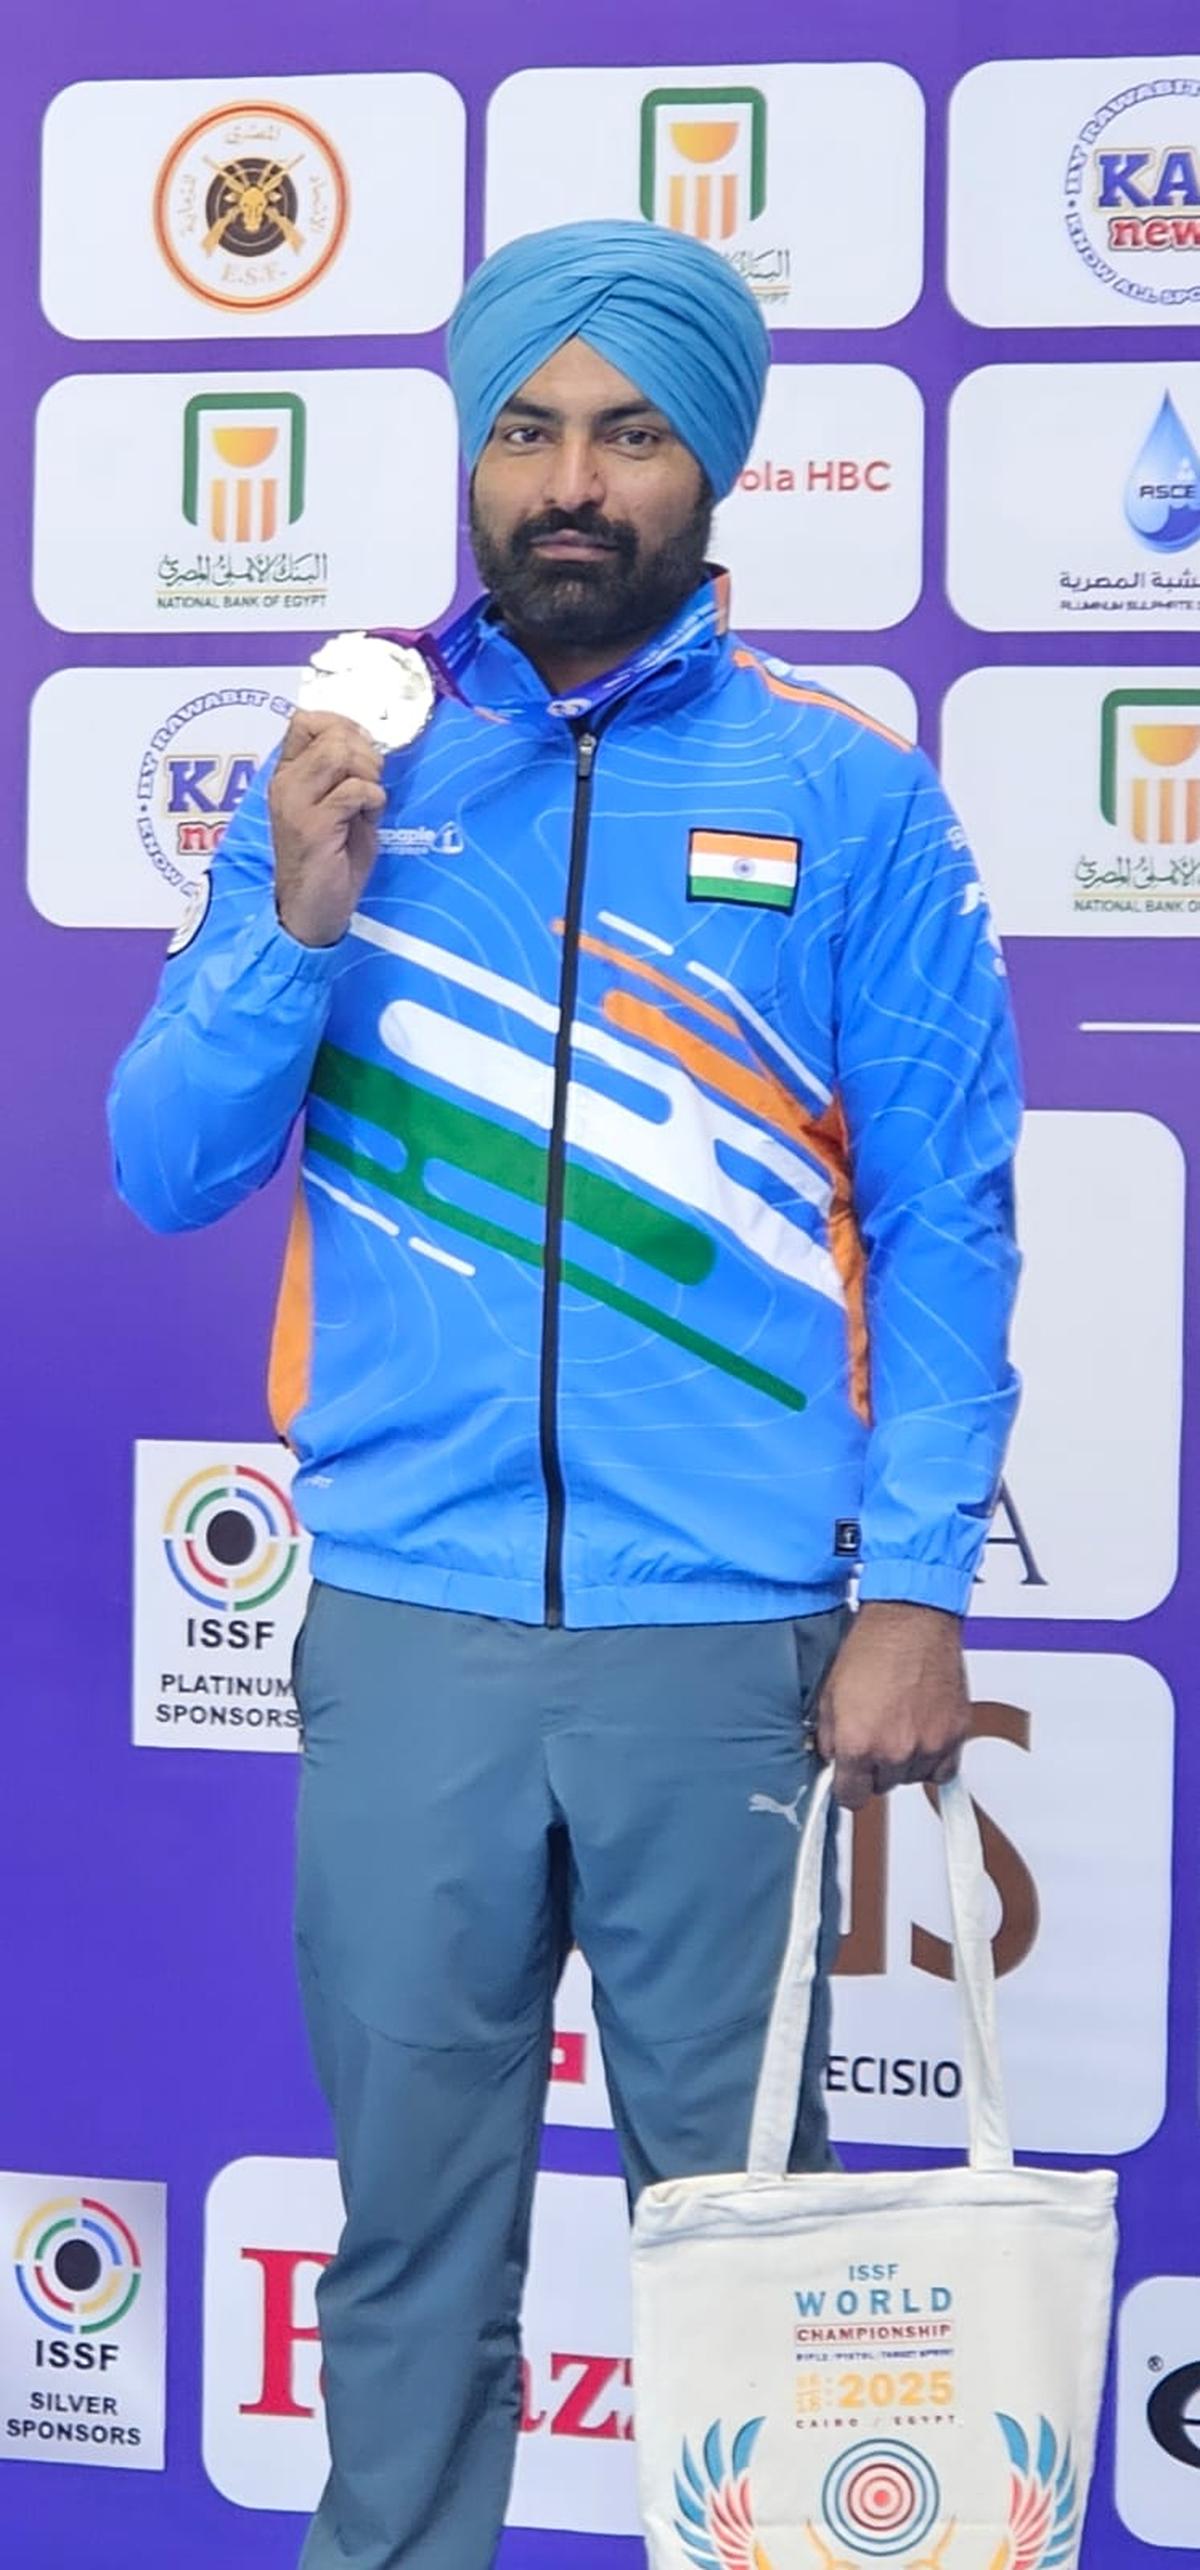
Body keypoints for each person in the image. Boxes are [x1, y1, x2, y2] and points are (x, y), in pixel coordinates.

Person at [109, 219, 1021, 2570]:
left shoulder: (851, 801)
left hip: (724, 1651)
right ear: (473, 459)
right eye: (528, 430)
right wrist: (288, 928)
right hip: (411, 1629)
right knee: (411, 2255)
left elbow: (951, 1221)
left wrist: (912, 1585)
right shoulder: (342, 778)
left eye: (628, 434)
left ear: (710, 469)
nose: (572, 484)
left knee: (753, 2257)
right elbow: (164, 1168)